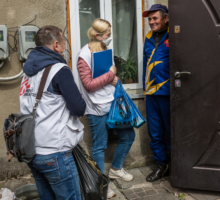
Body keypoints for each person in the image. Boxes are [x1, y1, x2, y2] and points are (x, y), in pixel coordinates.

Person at [20, 25, 86, 200]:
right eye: (64, 44)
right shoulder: (59, 70)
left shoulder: (26, 73)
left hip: (32, 151)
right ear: (56, 45)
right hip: (55, 152)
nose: (65, 49)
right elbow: (79, 108)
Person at [76, 18, 136, 199]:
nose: (110, 37)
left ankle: (116, 169)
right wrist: (111, 74)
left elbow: (106, 76)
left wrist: (113, 79)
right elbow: (88, 84)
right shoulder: (83, 55)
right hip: (95, 108)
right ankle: (101, 185)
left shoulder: (103, 49)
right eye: (108, 35)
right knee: (99, 146)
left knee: (128, 135)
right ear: (99, 35)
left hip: (112, 104)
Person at [142, 4, 171, 182]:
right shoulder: (148, 37)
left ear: (166, 18)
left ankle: (178, 167)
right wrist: (145, 91)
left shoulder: (175, 35)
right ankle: (162, 166)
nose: (151, 22)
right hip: (151, 94)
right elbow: (145, 64)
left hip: (168, 93)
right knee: (155, 132)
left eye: (155, 18)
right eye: (149, 19)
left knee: (171, 131)